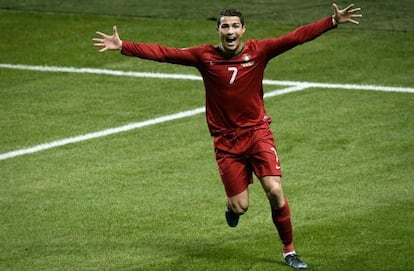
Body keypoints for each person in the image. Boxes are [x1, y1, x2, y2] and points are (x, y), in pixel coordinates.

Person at [93, 3, 361, 269]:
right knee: (241, 206)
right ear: (218, 31)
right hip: (226, 143)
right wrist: (124, 46)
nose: (230, 31)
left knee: (275, 191)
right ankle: (232, 208)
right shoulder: (204, 57)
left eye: (235, 26)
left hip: (257, 134)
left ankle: (289, 251)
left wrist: (332, 22)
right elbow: (165, 53)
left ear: (243, 29)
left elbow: (295, 38)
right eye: (225, 26)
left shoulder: (260, 51)